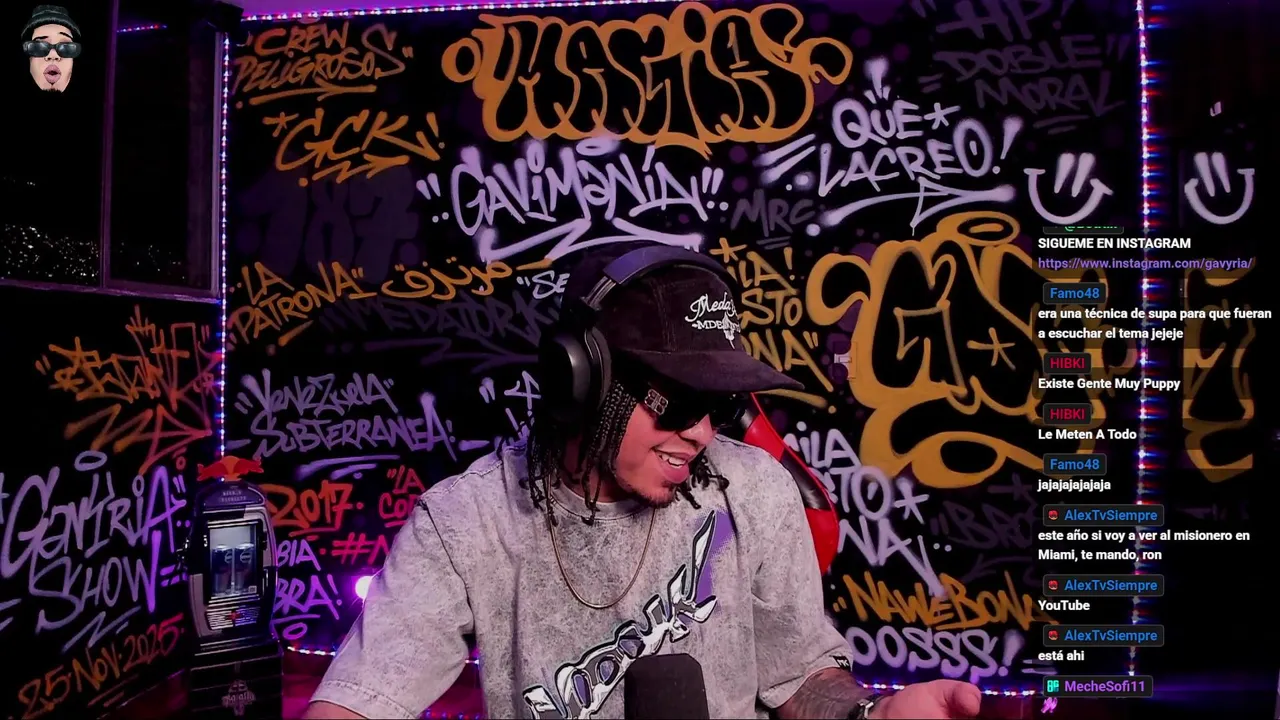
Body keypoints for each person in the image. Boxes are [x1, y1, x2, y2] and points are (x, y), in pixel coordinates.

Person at [304, 242, 982, 720]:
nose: (702, 432)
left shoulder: (754, 492)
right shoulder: (468, 521)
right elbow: (361, 699)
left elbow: (801, 677)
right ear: (581, 380)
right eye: (679, 402)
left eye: (718, 405)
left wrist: (872, 714)